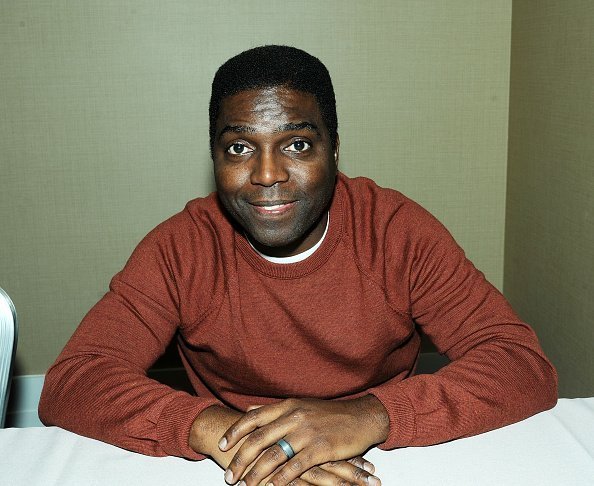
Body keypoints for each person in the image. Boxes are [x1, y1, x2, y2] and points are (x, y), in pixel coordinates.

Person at [39, 45, 557, 486]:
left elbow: (520, 364)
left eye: (297, 144)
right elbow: (74, 381)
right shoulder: (182, 247)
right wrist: (234, 436)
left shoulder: (397, 231)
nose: (266, 174)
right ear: (214, 157)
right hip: (233, 463)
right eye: (239, 147)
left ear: (335, 149)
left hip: (387, 457)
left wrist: (369, 416)